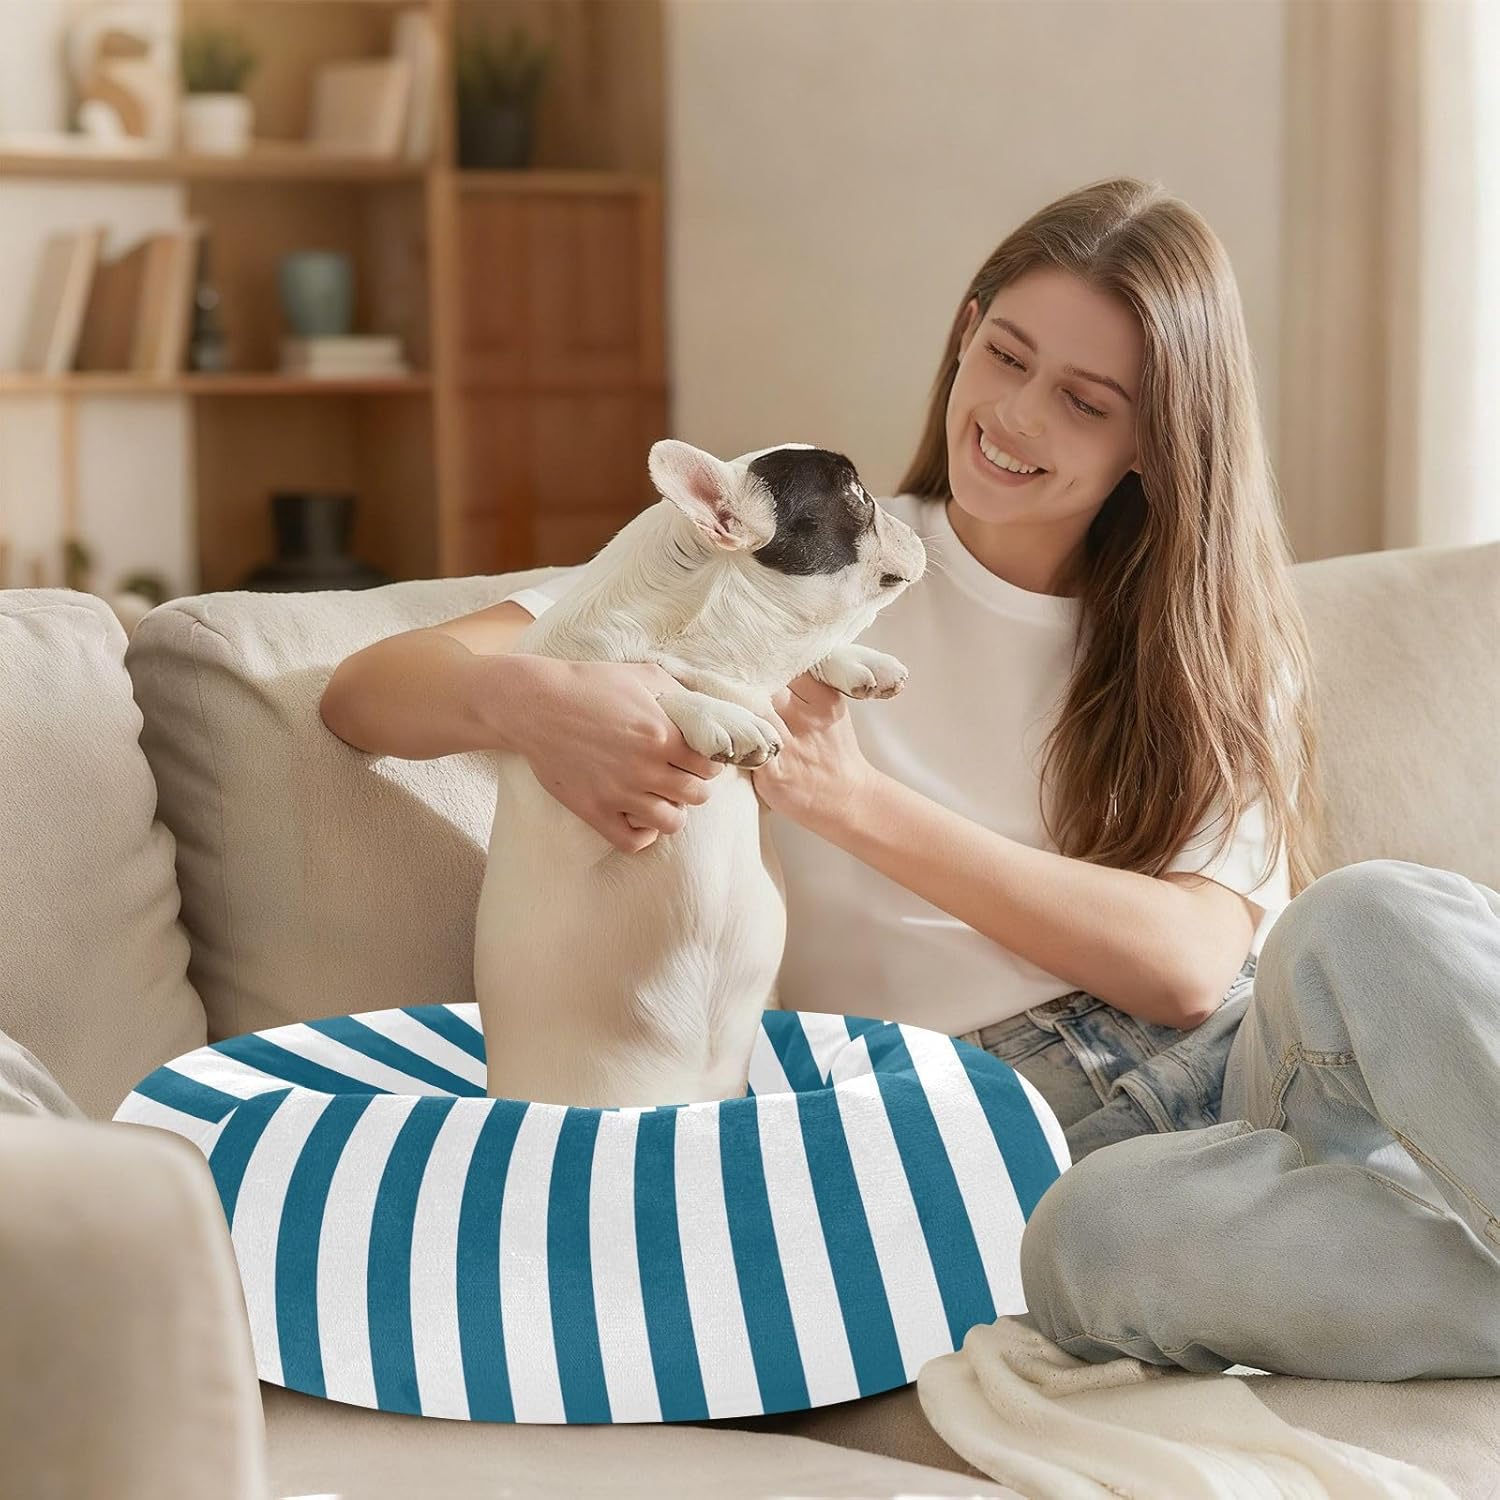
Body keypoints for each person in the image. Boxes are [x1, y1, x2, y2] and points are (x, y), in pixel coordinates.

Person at [320, 176, 1500, 1380]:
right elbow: (363, 692)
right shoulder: (781, 559)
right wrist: (525, 698)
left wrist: (857, 806)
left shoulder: (1209, 640)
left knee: (1376, 913)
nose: (1018, 416)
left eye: (1084, 401)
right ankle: (1433, 1244)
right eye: (1005, 355)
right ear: (967, 330)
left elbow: (1193, 965)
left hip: (1253, 1057)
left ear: (1154, 440)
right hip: (1018, 1141)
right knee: (1100, 1249)